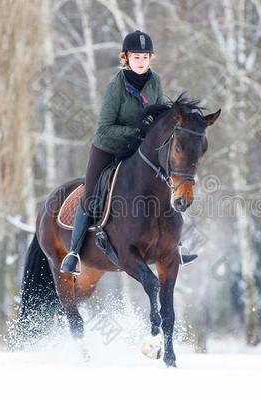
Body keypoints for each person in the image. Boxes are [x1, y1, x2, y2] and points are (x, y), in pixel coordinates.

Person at [60, 30, 196, 276]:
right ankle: (74, 252)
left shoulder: (155, 82)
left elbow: (160, 117)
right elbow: (104, 128)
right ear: (126, 58)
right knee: (91, 197)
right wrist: (135, 131)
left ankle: (173, 248)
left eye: (145, 56)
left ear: (150, 58)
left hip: (139, 152)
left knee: (167, 189)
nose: (141, 61)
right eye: (136, 56)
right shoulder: (116, 86)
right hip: (108, 147)